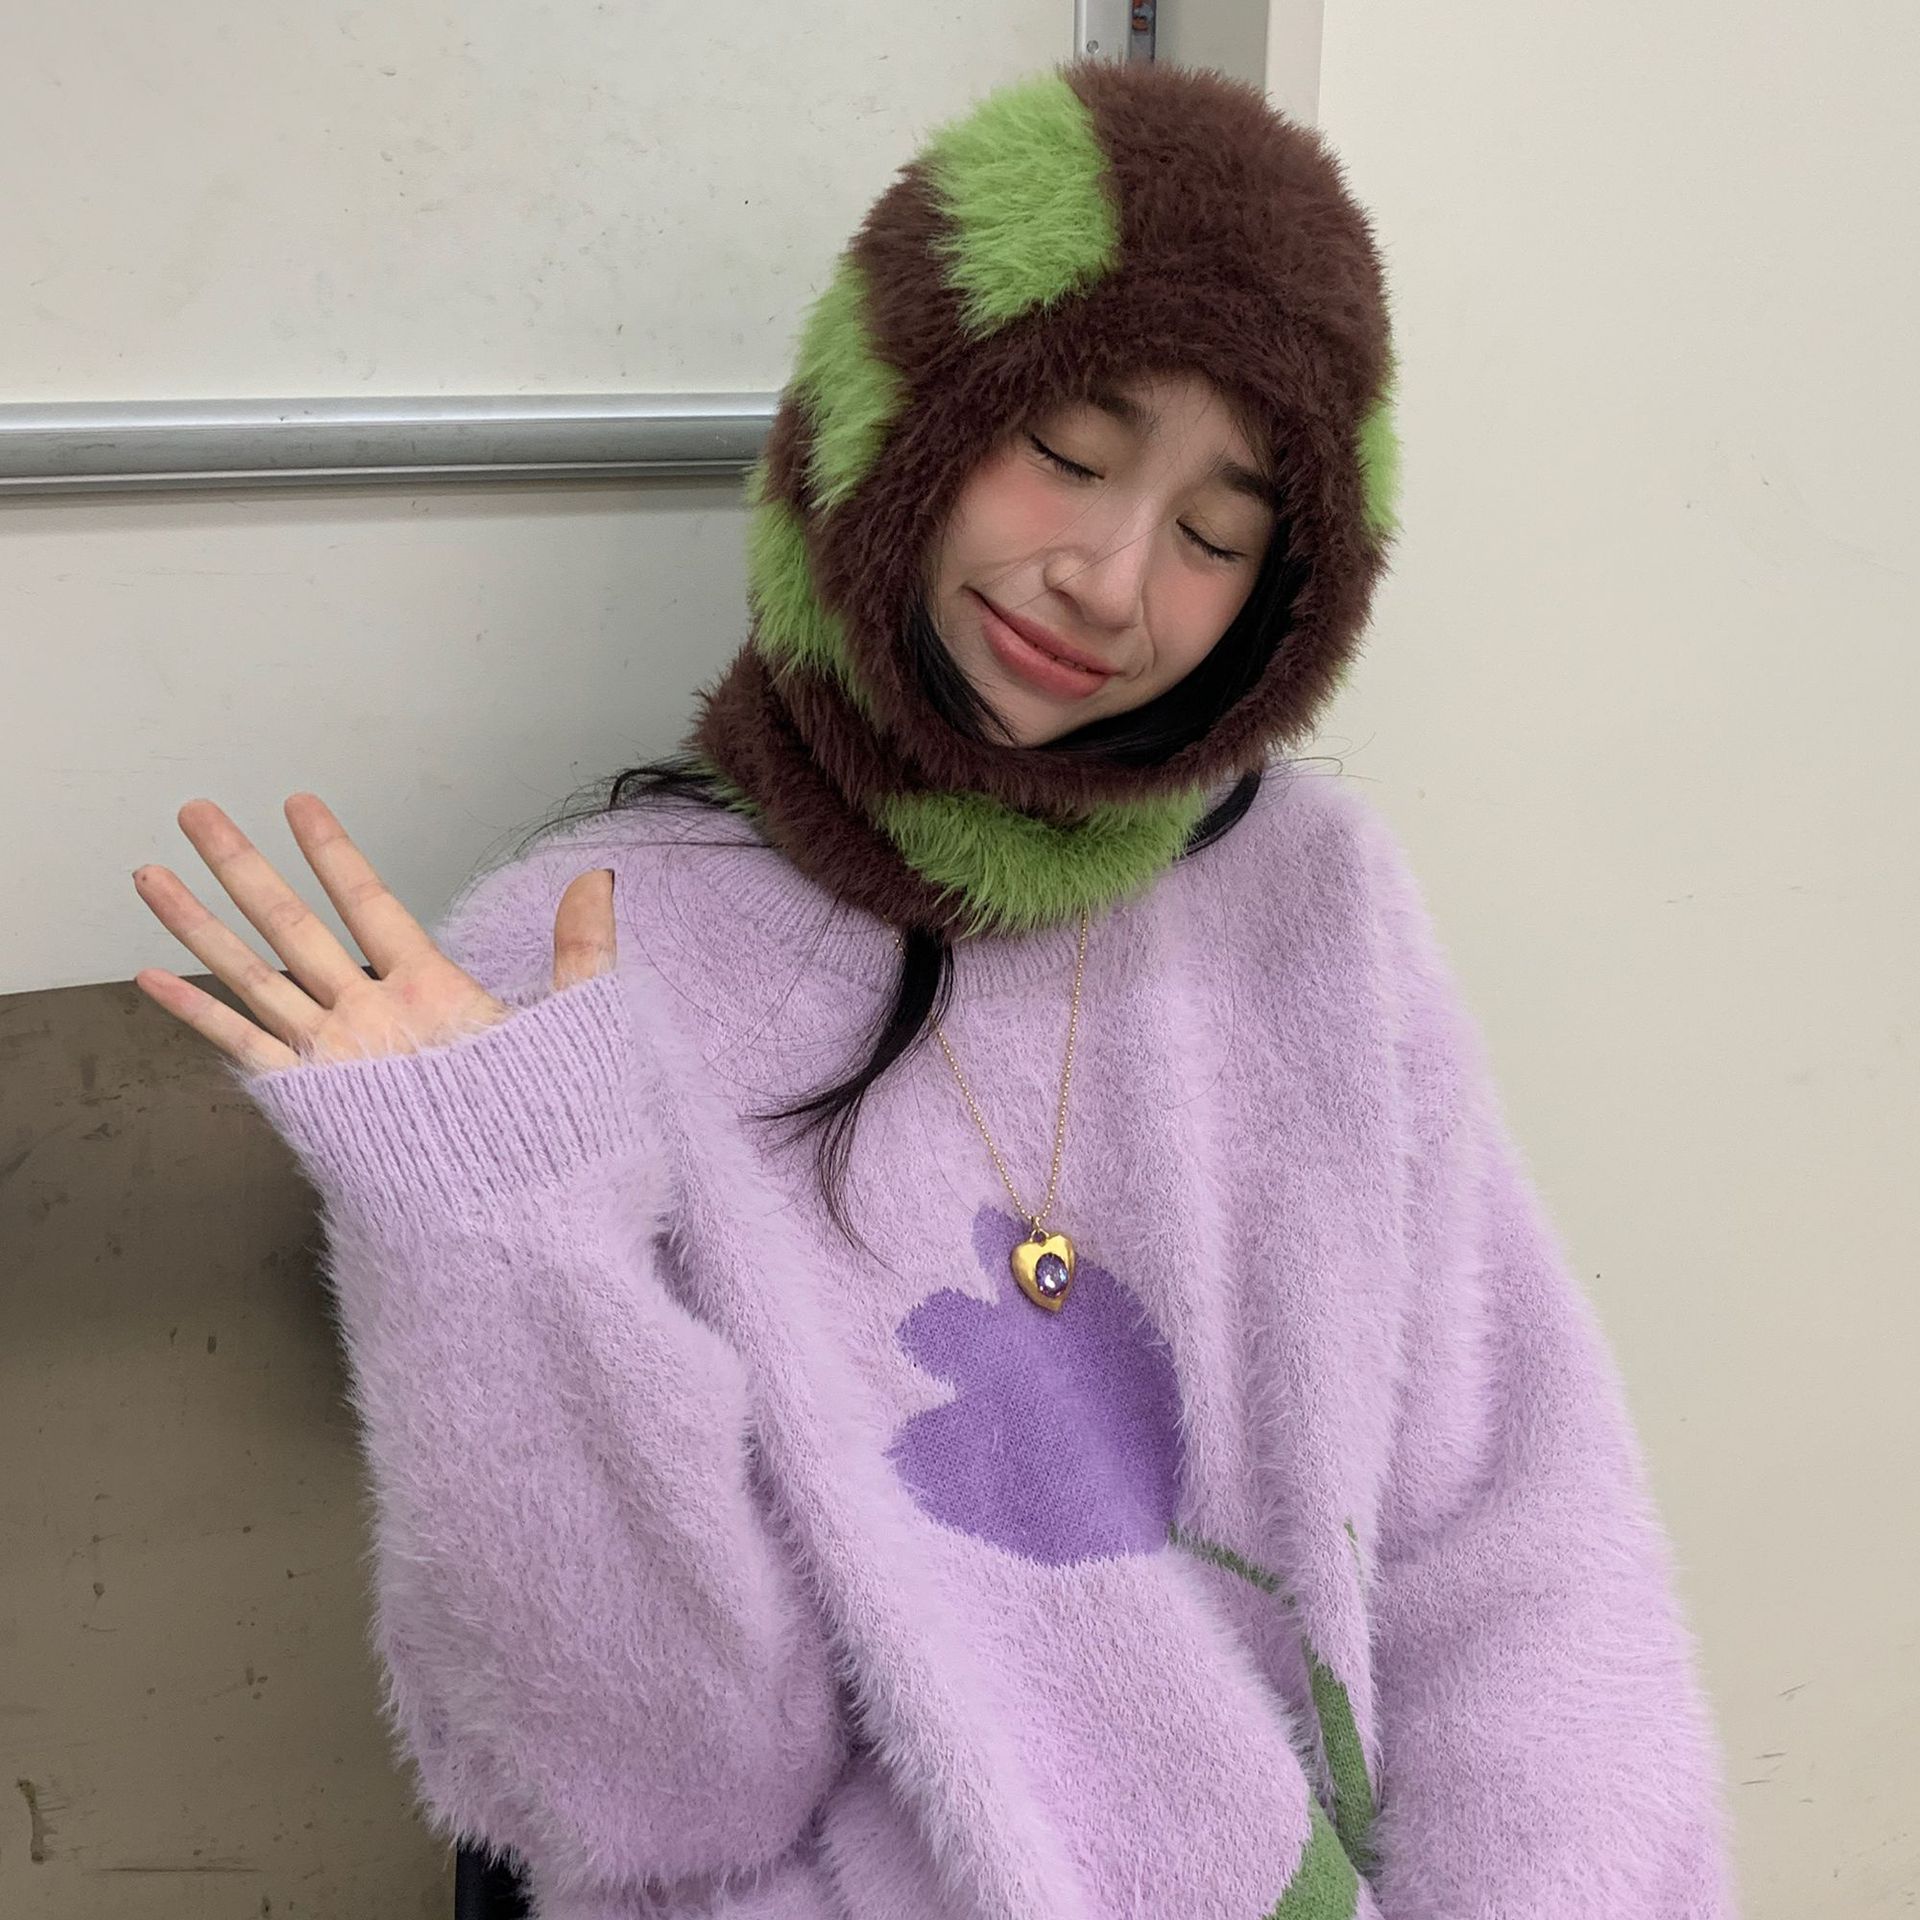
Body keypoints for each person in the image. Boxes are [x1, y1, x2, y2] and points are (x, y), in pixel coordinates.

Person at [130, 57, 1739, 1920]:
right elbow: (656, 1793)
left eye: (1218, 535)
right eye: (1068, 451)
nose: (1111, 580)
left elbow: (1522, 1553)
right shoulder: (574, 971)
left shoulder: (1310, 903)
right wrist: (492, 1227)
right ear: (890, 415)